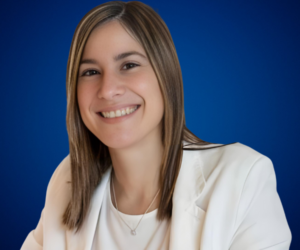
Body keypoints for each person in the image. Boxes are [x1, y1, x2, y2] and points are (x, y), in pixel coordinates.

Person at [21, 1, 292, 249]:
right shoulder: (67, 179)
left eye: (128, 65)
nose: (108, 90)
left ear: (166, 75)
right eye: (90, 72)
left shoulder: (242, 177)